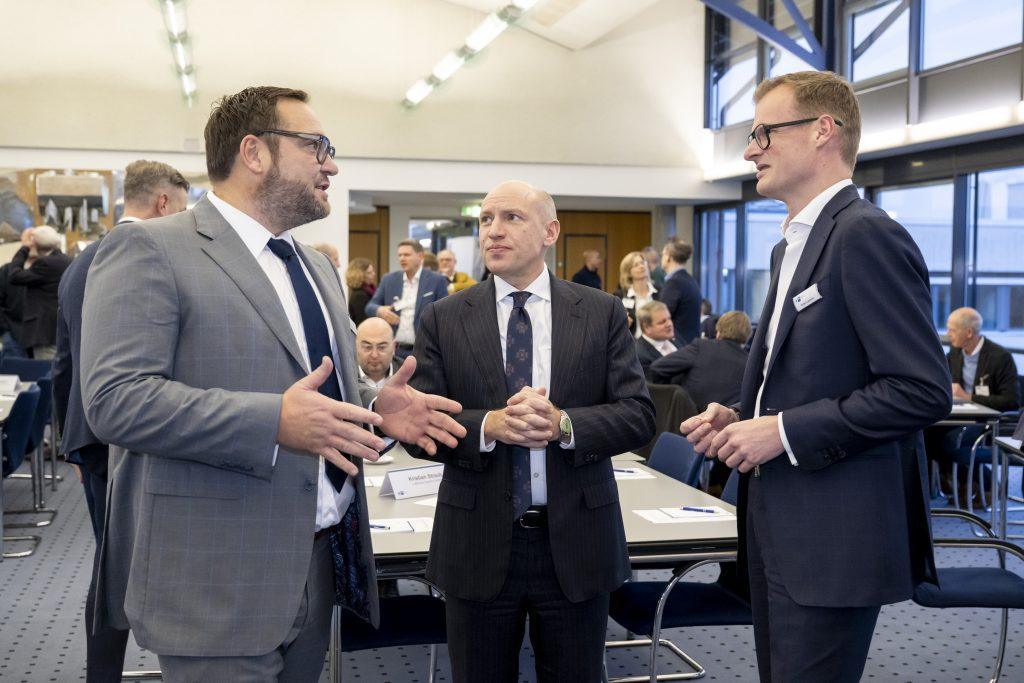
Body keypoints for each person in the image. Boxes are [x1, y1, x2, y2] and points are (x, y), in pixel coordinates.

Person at [79, 85, 466, 681]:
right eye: (316, 146)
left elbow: (312, 383)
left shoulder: (314, 267)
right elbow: (116, 400)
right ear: (254, 152)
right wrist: (273, 422)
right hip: (216, 573)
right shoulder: (152, 248)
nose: (331, 165)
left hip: (318, 560)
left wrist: (372, 408)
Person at [681, 71, 951, 683]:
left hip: (833, 537)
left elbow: (920, 390)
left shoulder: (866, 235)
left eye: (764, 133)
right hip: (776, 523)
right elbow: (811, 377)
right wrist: (744, 418)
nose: (750, 151)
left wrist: (782, 431)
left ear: (823, 130)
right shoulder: (790, 247)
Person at [406, 180, 655, 682]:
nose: (493, 231)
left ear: (550, 232)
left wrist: (565, 425)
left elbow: (639, 415)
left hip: (578, 540)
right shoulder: (443, 318)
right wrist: (488, 426)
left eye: (512, 218)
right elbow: (418, 428)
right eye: (486, 220)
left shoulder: (601, 311)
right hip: (476, 540)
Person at [53, 158, 189, 683]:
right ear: (163, 203)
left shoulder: (81, 262)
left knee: (113, 563)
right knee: (125, 565)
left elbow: (63, 363)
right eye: (182, 210)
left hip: (92, 438)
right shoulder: (145, 256)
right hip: (128, 435)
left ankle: (105, 673)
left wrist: (69, 442)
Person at [926, 307, 1020, 503]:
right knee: (926, 433)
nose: (948, 334)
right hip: (957, 416)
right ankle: (954, 482)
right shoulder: (955, 354)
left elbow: (1011, 400)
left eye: (952, 330)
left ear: (969, 332)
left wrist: (968, 396)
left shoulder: (1000, 357)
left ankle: (985, 484)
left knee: (952, 441)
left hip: (989, 421)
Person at [366, 239, 449, 362]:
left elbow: (445, 314)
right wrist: (380, 310)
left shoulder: (436, 280)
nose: (402, 258)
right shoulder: (389, 280)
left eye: (406, 255)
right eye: (399, 255)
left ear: (420, 256)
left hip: (424, 350)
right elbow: (369, 307)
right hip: (395, 350)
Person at [650, 310, 751, 411]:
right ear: (747, 336)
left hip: (688, 416)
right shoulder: (750, 364)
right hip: (728, 419)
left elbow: (657, 368)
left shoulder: (701, 347)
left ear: (718, 330)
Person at [8, 224, 71, 359]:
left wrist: (24, 247)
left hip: (45, 334)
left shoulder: (45, 264)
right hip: (59, 330)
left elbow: (14, 275)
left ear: (35, 244)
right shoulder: (66, 260)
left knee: (45, 368)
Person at [659, 239, 701, 345]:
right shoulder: (689, 280)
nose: (661, 258)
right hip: (689, 343)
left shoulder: (674, 283)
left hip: (678, 344)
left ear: (668, 256)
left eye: (663, 254)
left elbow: (661, 315)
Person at [612, 251, 658, 338]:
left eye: (642, 263)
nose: (641, 266)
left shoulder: (660, 291)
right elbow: (613, 325)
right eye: (636, 265)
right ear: (628, 273)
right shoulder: (620, 296)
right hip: (632, 343)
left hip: (657, 343)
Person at [634, 300, 678, 378]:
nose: (669, 324)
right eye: (662, 322)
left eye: (669, 318)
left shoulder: (675, 337)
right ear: (647, 327)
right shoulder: (639, 355)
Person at [355, 317, 399, 389]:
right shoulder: (343, 376)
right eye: (367, 347)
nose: (374, 355)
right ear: (355, 346)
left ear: (394, 347)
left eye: (381, 347)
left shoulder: (411, 376)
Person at [345, 257, 376, 326]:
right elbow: (363, 322)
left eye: (373, 271)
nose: (374, 274)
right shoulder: (359, 295)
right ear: (359, 275)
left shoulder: (370, 290)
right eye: (369, 273)